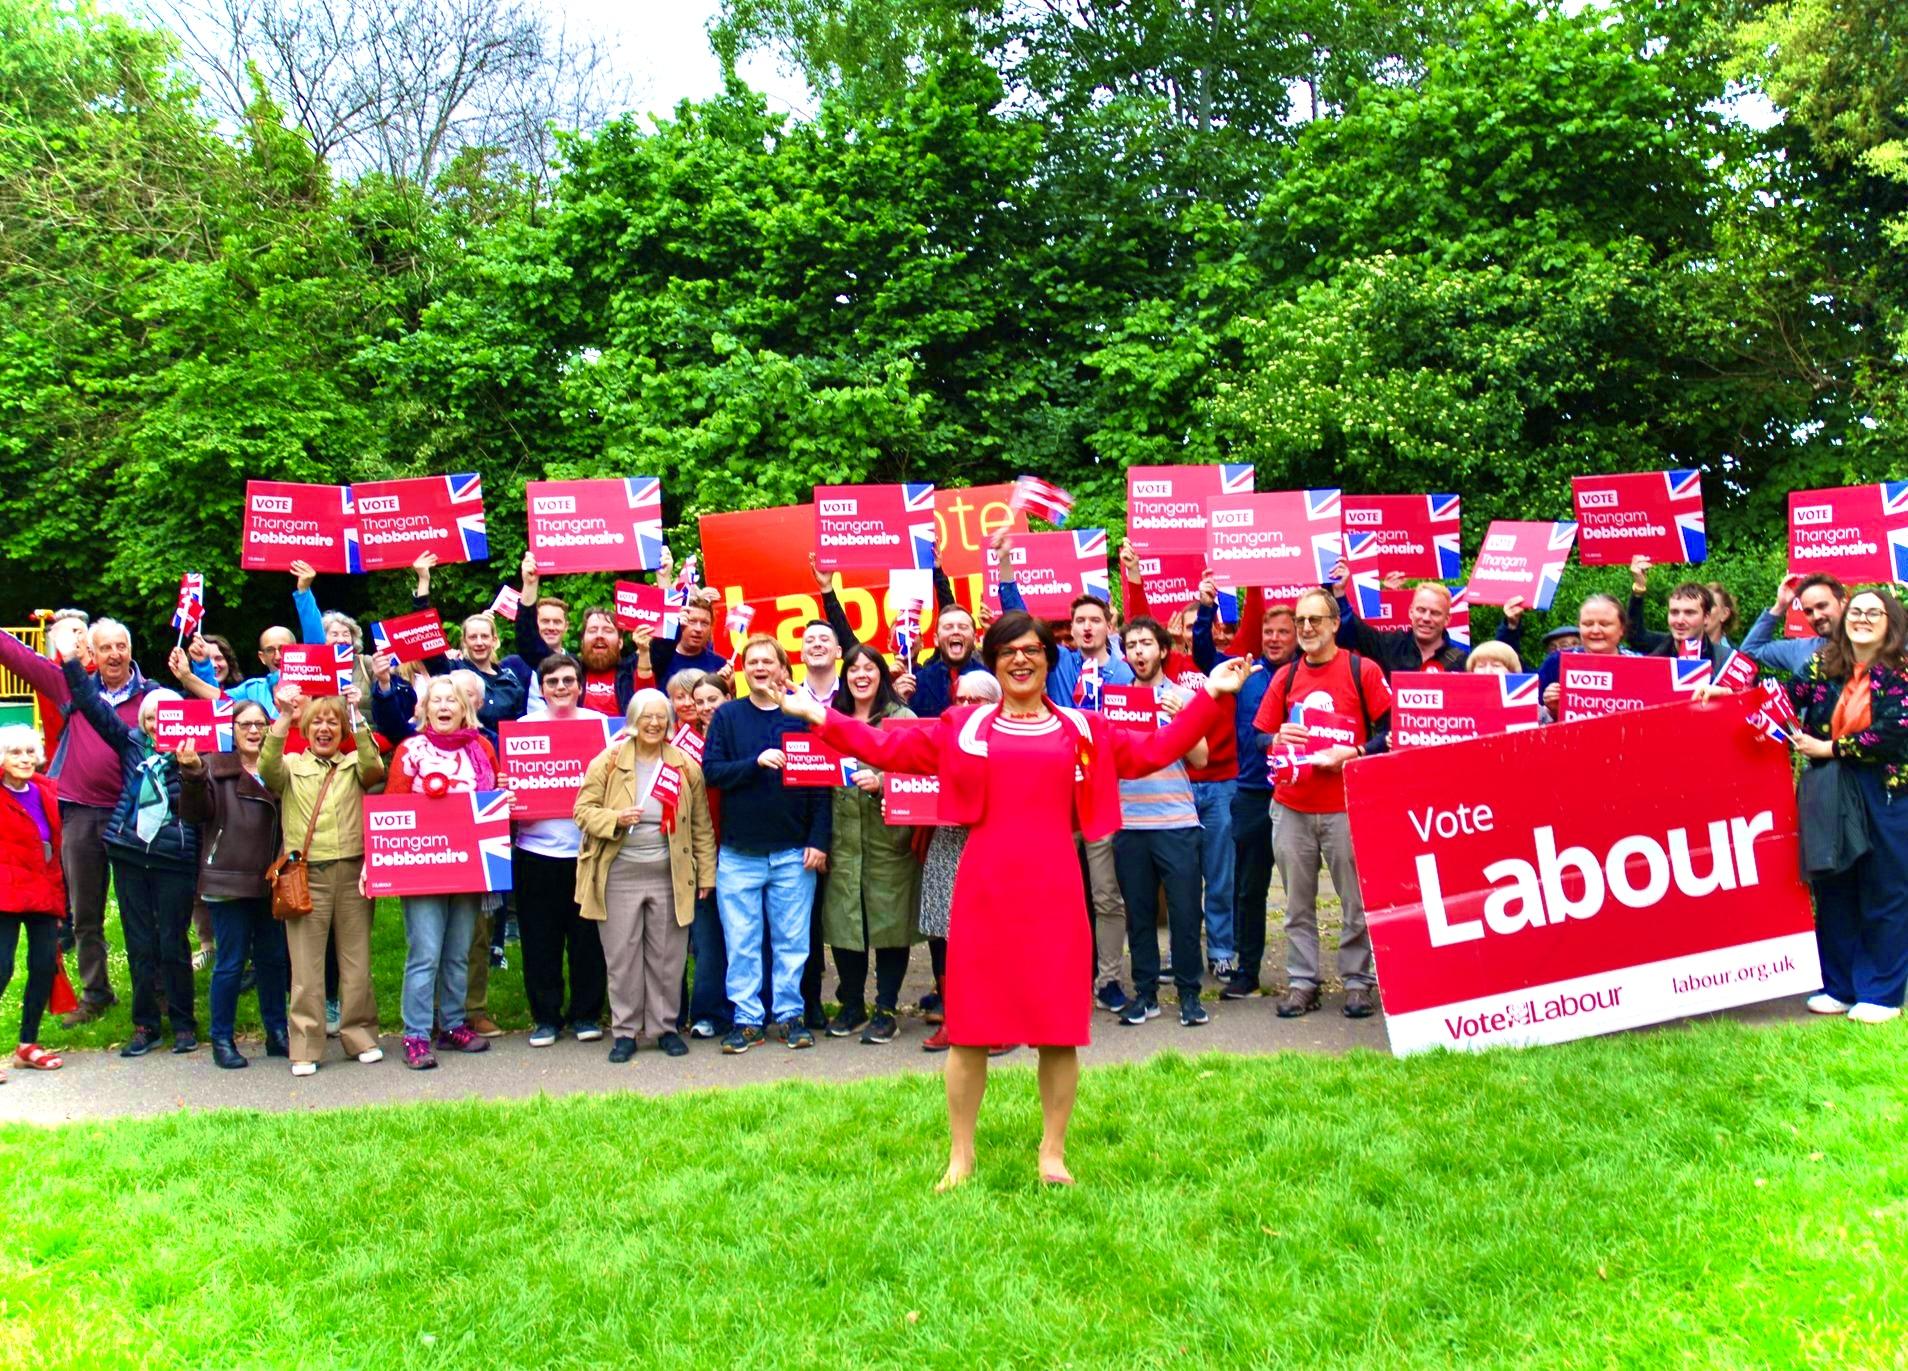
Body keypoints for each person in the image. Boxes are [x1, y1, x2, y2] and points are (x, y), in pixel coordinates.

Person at [782, 611, 1255, 1188]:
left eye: (1032, 650)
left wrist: (1212, 694)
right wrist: (818, 717)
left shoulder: (1083, 729)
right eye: (1009, 652)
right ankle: (961, 1156)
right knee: (970, 1028)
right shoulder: (962, 726)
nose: (1022, 659)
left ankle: (1052, 1153)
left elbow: (1156, 750)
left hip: (1055, 890)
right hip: (983, 890)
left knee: (1058, 1030)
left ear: (1046, 659)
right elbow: (886, 747)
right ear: (994, 662)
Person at [993, 528, 1138, 1014]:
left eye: (1096, 620)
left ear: (1109, 624)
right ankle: (1051, 977)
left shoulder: (1126, 671)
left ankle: (1109, 979)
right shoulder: (1056, 669)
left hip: (1099, 796)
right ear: (1070, 630)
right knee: (1047, 896)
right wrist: (1008, 567)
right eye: (1080, 621)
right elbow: (1016, 618)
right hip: (1054, 797)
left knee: (1106, 896)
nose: (1088, 628)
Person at [0, 616, 151, 1025]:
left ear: (131, 649)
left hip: (133, 815)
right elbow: (19, 659)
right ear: (92, 653)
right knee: (85, 913)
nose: (114, 654)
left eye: (121, 646)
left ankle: (151, 995)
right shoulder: (70, 685)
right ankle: (96, 992)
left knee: (142, 912)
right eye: (105, 648)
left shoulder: (152, 697)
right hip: (81, 813)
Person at [1250, 588, 1392, 1020]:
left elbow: (1394, 730)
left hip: (1346, 806)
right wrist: (1275, 739)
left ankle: (1356, 982)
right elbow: (1258, 736)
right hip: (1292, 806)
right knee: (1296, 903)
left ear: (1334, 624)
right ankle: (1302, 982)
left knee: (1353, 900)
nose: (1307, 628)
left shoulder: (1360, 669)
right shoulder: (1285, 677)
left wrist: (1356, 753)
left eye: (1315, 620)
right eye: (1301, 622)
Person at [60, 642, 200, 1056]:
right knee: (139, 942)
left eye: (168, 716)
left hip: (174, 857)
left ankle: (184, 1022)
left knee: (173, 941)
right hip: (131, 855)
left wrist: (192, 770)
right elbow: (89, 703)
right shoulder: (130, 745)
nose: (160, 723)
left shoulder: (193, 754)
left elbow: (202, 806)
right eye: (152, 717)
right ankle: (145, 1025)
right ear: (143, 721)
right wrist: (70, 662)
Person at [700, 635, 831, 1053]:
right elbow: (712, 772)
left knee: (793, 942)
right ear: (744, 669)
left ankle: (790, 1015)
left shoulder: (801, 717)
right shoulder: (728, 717)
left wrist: (819, 840)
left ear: (781, 668)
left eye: (767, 661)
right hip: (739, 854)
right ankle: (748, 1019)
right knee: (742, 942)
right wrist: (754, 764)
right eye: (752, 661)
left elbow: (821, 786)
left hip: (794, 853)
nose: (759, 667)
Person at [1785, 587, 1908, 1023]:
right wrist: (1729, 697)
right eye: (1856, 611)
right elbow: (1784, 697)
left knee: (1885, 888)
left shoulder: (1903, 671)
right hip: (1829, 788)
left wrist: (1830, 748)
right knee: (1833, 886)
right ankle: (1840, 985)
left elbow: (1895, 731)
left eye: (1874, 612)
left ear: (1890, 620)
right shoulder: (1823, 663)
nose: (1863, 618)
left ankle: (1883, 993)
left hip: (1886, 790)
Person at [574, 689, 716, 1060]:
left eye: (661, 717)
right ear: (633, 721)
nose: (654, 723)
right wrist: (614, 819)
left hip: (670, 876)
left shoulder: (685, 765)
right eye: (646, 716)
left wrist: (706, 876)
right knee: (622, 957)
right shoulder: (607, 761)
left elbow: (701, 825)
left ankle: (664, 1027)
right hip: (618, 874)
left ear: (670, 722)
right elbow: (582, 811)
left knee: (668, 957)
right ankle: (625, 1031)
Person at [261, 687, 385, 1076]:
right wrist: (283, 715)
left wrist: (356, 712)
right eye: (317, 721)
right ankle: (305, 1046)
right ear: (305, 728)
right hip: (305, 876)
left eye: (333, 721)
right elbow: (266, 768)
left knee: (356, 962)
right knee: (306, 967)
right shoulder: (291, 767)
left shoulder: (353, 765)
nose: (325, 728)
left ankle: (360, 1036)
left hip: (352, 872)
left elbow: (375, 768)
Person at [383, 676, 499, 1069]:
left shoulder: (482, 748)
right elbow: (392, 808)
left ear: (465, 708)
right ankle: (416, 1034)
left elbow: (493, 798)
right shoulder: (410, 750)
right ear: (426, 709)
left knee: (458, 952)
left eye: (453, 700)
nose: (445, 706)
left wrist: (506, 801)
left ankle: (451, 1024)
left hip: (468, 866)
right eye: (437, 700)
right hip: (423, 868)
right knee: (425, 953)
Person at [1110, 616, 1212, 1028]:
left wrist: (1183, 719)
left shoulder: (1182, 696)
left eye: (1146, 644)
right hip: (1129, 823)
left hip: (1176, 821)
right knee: (1138, 914)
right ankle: (1146, 994)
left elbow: (1201, 758)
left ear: (1163, 650)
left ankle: (1189, 995)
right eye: (1131, 645)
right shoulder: (1113, 700)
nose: (1138, 652)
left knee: (1186, 913)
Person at [175, 702, 289, 1069]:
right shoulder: (213, 768)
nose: (254, 731)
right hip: (227, 879)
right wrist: (191, 773)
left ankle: (277, 1032)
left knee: (273, 960)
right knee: (230, 962)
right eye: (246, 724)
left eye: (261, 724)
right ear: (233, 729)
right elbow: (194, 814)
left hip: (272, 879)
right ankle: (222, 1039)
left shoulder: (280, 768)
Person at [1197, 596, 1295, 1000]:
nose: (1274, 639)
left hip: (1298, 792)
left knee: (1304, 893)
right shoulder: (1247, 673)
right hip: (1252, 793)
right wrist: (1205, 612)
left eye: (1282, 632)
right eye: (1268, 632)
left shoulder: (1305, 673)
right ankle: (1247, 972)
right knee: (1248, 889)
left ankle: (1331, 976)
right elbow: (1204, 655)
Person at [821, 645, 921, 1044]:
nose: (861, 674)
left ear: (883, 674)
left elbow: (921, 774)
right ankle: (852, 1006)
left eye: (869, 668)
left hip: (887, 840)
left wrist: (883, 784)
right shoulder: (832, 720)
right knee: (846, 925)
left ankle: (885, 1007)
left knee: (889, 925)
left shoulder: (903, 719)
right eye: (853, 669)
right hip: (843, 840)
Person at [513, 653, 609, 1049]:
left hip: (586, 850)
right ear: (542, 687)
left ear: (580, 685)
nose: (561, 688)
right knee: (540, 939)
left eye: (568, 680)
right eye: (552, 682)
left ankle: (587, 1013)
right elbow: (510, 786)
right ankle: (546, 1018)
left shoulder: (600, 726)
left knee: (588, 937)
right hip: (536, 850)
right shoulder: (522, 729)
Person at [916, 671, 1002, 1053]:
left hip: (992, 844)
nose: (965, 707)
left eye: (975, 701)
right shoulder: (942, 738)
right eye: (960, 700)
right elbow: (912, 778)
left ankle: (999, 1023)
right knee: (946, 934)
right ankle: (954, 1020)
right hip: (947, 842)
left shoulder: (1006, 739)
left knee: (992, 935)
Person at [0, 724, 67, 1076]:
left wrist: (59, 897)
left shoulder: (46, 792)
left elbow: (53, 850)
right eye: (15, 752)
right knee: (1, 967)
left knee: (44, 965)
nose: (25, 759)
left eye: (29, 752)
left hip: (41, 889)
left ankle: (27, 1043)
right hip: (5, 892)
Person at [683, 672, 734, 1038]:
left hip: (739, 846)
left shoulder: (741, 733)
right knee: (707, 938)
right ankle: (706, 1012)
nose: (705, 707)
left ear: (728, 697)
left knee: (744, 937)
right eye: (699, 702)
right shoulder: (682, 744)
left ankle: (746, 1008)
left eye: (712, 699)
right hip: (700, 852)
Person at [1528, 593, 1640, 718]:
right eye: (1588, 624)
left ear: (1622, 629)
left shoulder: (1642, 665)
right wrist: (1551, 710)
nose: (1595, 631)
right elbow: (1528, 715)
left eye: (1605, 624)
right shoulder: (1556, 662)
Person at [1625, 556, 1727, 666]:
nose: (1680, 620)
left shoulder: (1724, 661)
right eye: (1674, 612)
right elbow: (1634, 636)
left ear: (1706, 617)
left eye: (1689, 613)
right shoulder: (1660, 647)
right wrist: (1639, 587)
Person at [1741, 573, 1847, 675]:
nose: (1816, 616)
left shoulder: (1861, 645)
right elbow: (1750, 649)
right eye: (1808, 611)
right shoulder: (1800, 649)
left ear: (1844, 603)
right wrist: (1780, 607)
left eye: (1822, 606)